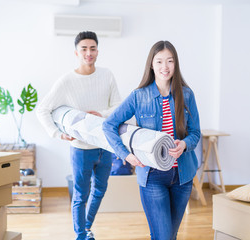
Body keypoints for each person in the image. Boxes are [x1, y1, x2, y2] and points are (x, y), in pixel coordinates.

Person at [102, 40, 200, 240]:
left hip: (183, 177)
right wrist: (125, 155)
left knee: (168, 236)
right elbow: (109, 125)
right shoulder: (139, 96)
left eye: (170, 61)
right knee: (163, 236)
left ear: (176, 64)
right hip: (153, 176)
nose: (165, 67)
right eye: (160, 61)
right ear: (151, 65)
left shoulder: (187, 95)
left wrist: (184, 144)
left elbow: (195, 133)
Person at [36, 31, 121, 240]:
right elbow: (42, 109)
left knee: (100, 190)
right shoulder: (66, 81)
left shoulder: (107, 75)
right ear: (76, 52)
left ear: (97, 51)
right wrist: (57, 133)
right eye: (84, 49)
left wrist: (101, 114)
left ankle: (86, 228)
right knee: (81, 195)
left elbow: (119, 106)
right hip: (81, 149)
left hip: (105, 145)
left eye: (92, 48)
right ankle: (81, 235)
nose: (88, 53)